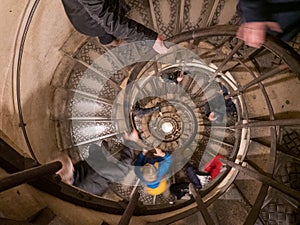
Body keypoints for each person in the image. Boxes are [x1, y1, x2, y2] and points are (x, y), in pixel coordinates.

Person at [61, 0, 168, 54]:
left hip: (90, 13)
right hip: (92, 22)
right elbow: (108, 20)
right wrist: (150, 39)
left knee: (106, 30)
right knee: (104, 30)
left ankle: (107, 40)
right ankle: (108, 41)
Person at [56, 140, 134, 196]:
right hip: (100, 175)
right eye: (71, 161)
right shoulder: (97, 173)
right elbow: (123, 170)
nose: (73, 160)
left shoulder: (65, 182)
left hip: (95, 167)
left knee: (94, 148)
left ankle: (101, 155)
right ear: (72, 168)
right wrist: (130, 142)